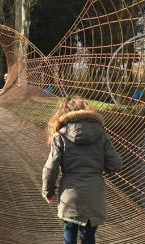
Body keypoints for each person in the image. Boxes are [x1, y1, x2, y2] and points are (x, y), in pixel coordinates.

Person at [42, 96, 122, 244]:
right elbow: (115, 164)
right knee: (88, 235)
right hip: (94, 193)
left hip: (70, 194)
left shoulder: (60, 136)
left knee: (69, 230)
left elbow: (51, 167)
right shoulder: (102, 135)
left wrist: (48, 191)